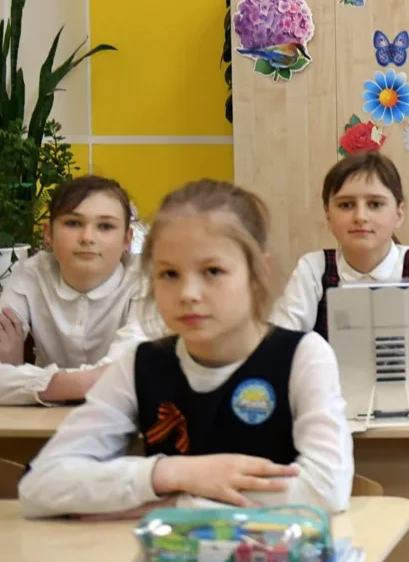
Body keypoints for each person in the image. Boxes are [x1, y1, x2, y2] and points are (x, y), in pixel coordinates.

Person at [19, 179, 354, 519]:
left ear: (258, 273)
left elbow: (325, 489)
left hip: (278, 551)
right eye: (169, 274)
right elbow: (39, 486)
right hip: (168, 553)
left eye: (213, 271)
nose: (188, 293)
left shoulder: (302, 356)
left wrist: (175, 502)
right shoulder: (140, 364)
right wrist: (172, 474)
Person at [271, 151, 409, 389]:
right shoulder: (314, 270)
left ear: (399, 214)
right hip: (334, 411)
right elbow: (275, 356)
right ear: (328, 216)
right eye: (346, 205)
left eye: (375, 204)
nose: (360, 216)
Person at [0, 176, 155, 406]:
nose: (87, 238)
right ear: (48, 233)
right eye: (73, 223)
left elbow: (122, 379)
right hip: (40, 421)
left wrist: (16, 374)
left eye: (105, 226)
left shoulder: (147, 281)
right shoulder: (31, 274)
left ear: (127, 239)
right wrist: (85, 382)